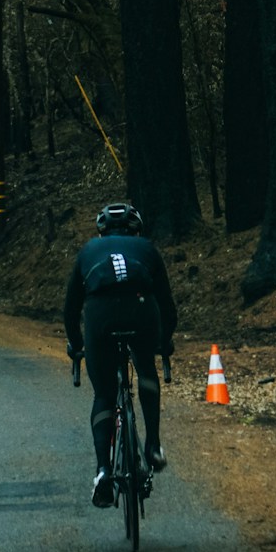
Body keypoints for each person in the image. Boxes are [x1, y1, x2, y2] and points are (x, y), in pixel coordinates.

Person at [64, 202, 177, 507]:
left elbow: (71, 308)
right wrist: (164, 342)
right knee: (146, 370)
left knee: (104, 394)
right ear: (136, 229)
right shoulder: (147, 248)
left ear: (100, 230)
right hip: (142, 310)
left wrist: (75, 345)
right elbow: (167, 305)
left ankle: (102, 471)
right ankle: (153, 446)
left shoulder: (88, 250)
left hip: (100, 315)